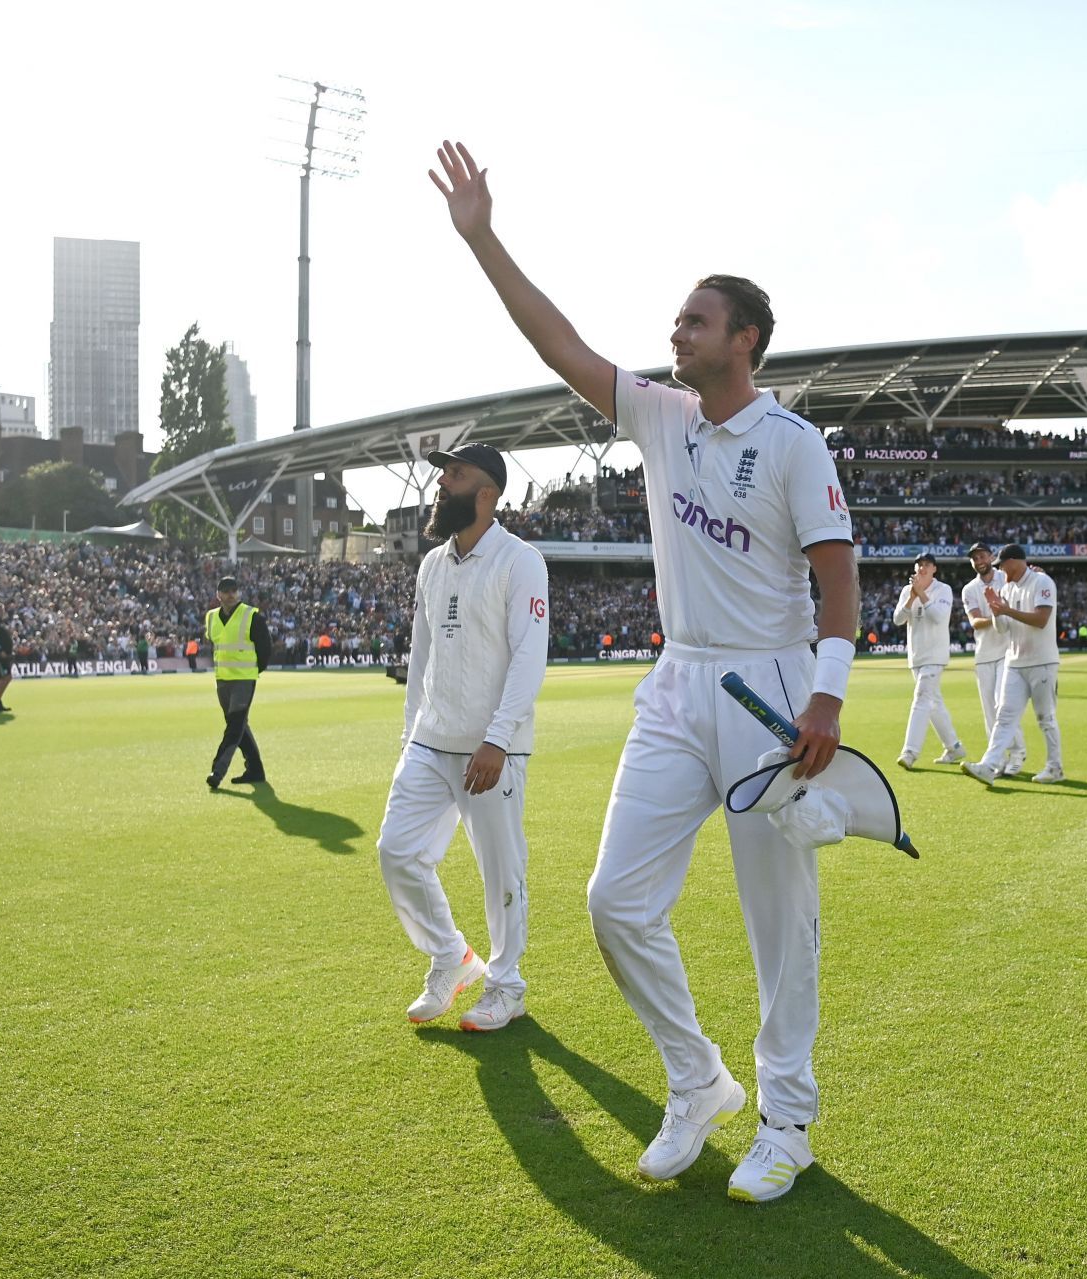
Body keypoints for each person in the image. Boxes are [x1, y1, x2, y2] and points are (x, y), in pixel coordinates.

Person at [431, 139, 858, 1203]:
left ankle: (788, 1121)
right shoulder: (659, 417)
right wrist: (483, 238)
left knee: (778, 924)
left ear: (744, 340)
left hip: (771, 689)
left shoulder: (797, 442)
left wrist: (829, 690)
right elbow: (559, 341)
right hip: (678, 684)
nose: (677, 331)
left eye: (696, 320)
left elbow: (839, 574)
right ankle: (695, 1079)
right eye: (678, 319)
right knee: (616, 900)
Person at [377, 443, 549, 1033]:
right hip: (431, 740)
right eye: (442, 474)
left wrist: (498, 740)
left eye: (454, 475)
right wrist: (409, 735)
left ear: (486, 493)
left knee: (501, 870)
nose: (441, 484)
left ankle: (507, 986)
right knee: (397, 853)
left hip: (492, 748)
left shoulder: (520, 561)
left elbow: (530, 656)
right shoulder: (431, 565)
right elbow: (420, 656)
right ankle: (451, 957)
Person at [961, 545, 1063, 785]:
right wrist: (997, 612)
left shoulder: (1042, 582)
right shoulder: (1006, 588)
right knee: (1004, 716)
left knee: (1045, 718)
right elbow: (1003, 628)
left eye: (1002, 565)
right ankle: (989, 765)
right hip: (1015, 662)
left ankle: (1055, 767)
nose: (999, 570)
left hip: (1042, 661)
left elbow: (1041, 619)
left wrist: (1007, 609)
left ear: (1015, 562)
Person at [961, 543, 1027, 777]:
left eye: (982, 556)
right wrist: (998, 613)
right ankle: (997, 760)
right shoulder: (970, 589)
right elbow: (975, 622)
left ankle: (1018, 753)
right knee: (990, 711)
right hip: (984, 654)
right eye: (974, 558)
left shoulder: (1005, 578)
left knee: (1003, 705)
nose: (979, 560)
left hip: (1009, 651)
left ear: (990, 557)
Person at [892, 553, 964, 769]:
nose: (922, 568)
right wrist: (911, 597)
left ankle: (910, 752)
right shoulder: (907, 590)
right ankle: (954, 747)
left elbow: (939, 617)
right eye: (919, 565)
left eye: (926, 565)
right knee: (933, 704)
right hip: (916, 656)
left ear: (934, 568)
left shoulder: (943, 590)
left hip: (935, 655)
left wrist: (921, 593)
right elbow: (898, 619)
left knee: (922, 699)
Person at [205, 576, 270, 789]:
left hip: (243, 679)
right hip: (223, 679)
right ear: (218, 595)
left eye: (234, 590)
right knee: (239, 726)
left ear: (239, 593)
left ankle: (218, 769)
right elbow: (214, 644)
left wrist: (253, 671)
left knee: (234, 726)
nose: (230, 594)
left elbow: (265, 648)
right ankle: (255, 770)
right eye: (225, 591)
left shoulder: (252, 616)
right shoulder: (211, 617)